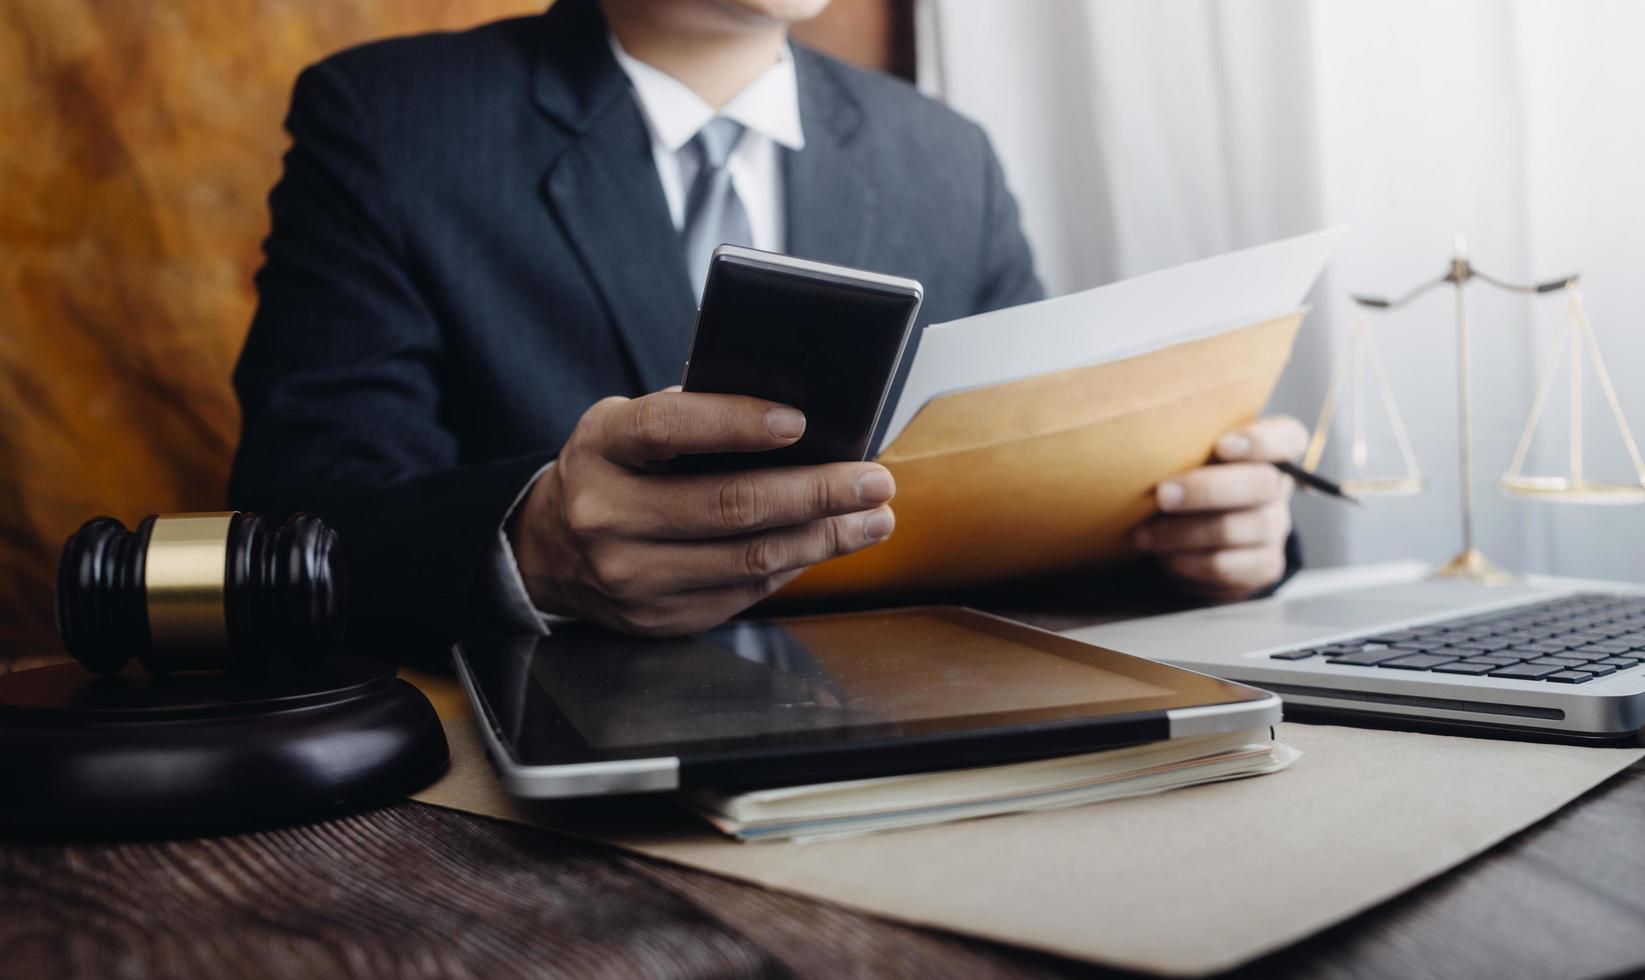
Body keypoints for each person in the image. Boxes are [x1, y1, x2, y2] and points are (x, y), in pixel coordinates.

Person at [229, 0, 1306, 652]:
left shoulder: (944, 156)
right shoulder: (389, 121)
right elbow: (295, 531)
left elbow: (1029, 476)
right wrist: (531, 549)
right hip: (539, 788)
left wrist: (1206, 534)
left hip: (918, 739)